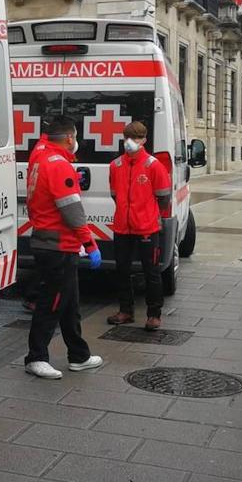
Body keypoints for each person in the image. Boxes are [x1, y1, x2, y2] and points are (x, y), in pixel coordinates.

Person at [24, 115, 105, 380]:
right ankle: (36, 357)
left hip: (51, 242)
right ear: (70, 138)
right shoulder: (59, 165)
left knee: (69, 303)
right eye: (75, 137)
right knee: (52, 303)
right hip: (58, 246)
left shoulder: (40, 155)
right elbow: (72, 211)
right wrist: (90, 243)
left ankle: (79, 355)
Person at [106, 122, 172, 330]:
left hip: (147, 228)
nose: (130, 142)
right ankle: (126, 311)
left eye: (135, 138)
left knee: (151, 272)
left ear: (144, 140)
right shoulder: (116, 165)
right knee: (122, 270)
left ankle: (154, 314)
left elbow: (163, 197)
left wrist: (147, 214)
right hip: (122, 228)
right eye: (127, 137)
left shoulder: (154, 166)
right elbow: (115, 194)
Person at [21, 119, 53, 313]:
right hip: (45, 212)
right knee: (45, 262)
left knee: (44, 262)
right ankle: (33, 296)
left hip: (40, 210)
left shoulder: (40, 148)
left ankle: (34, 296)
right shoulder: (45, 151)